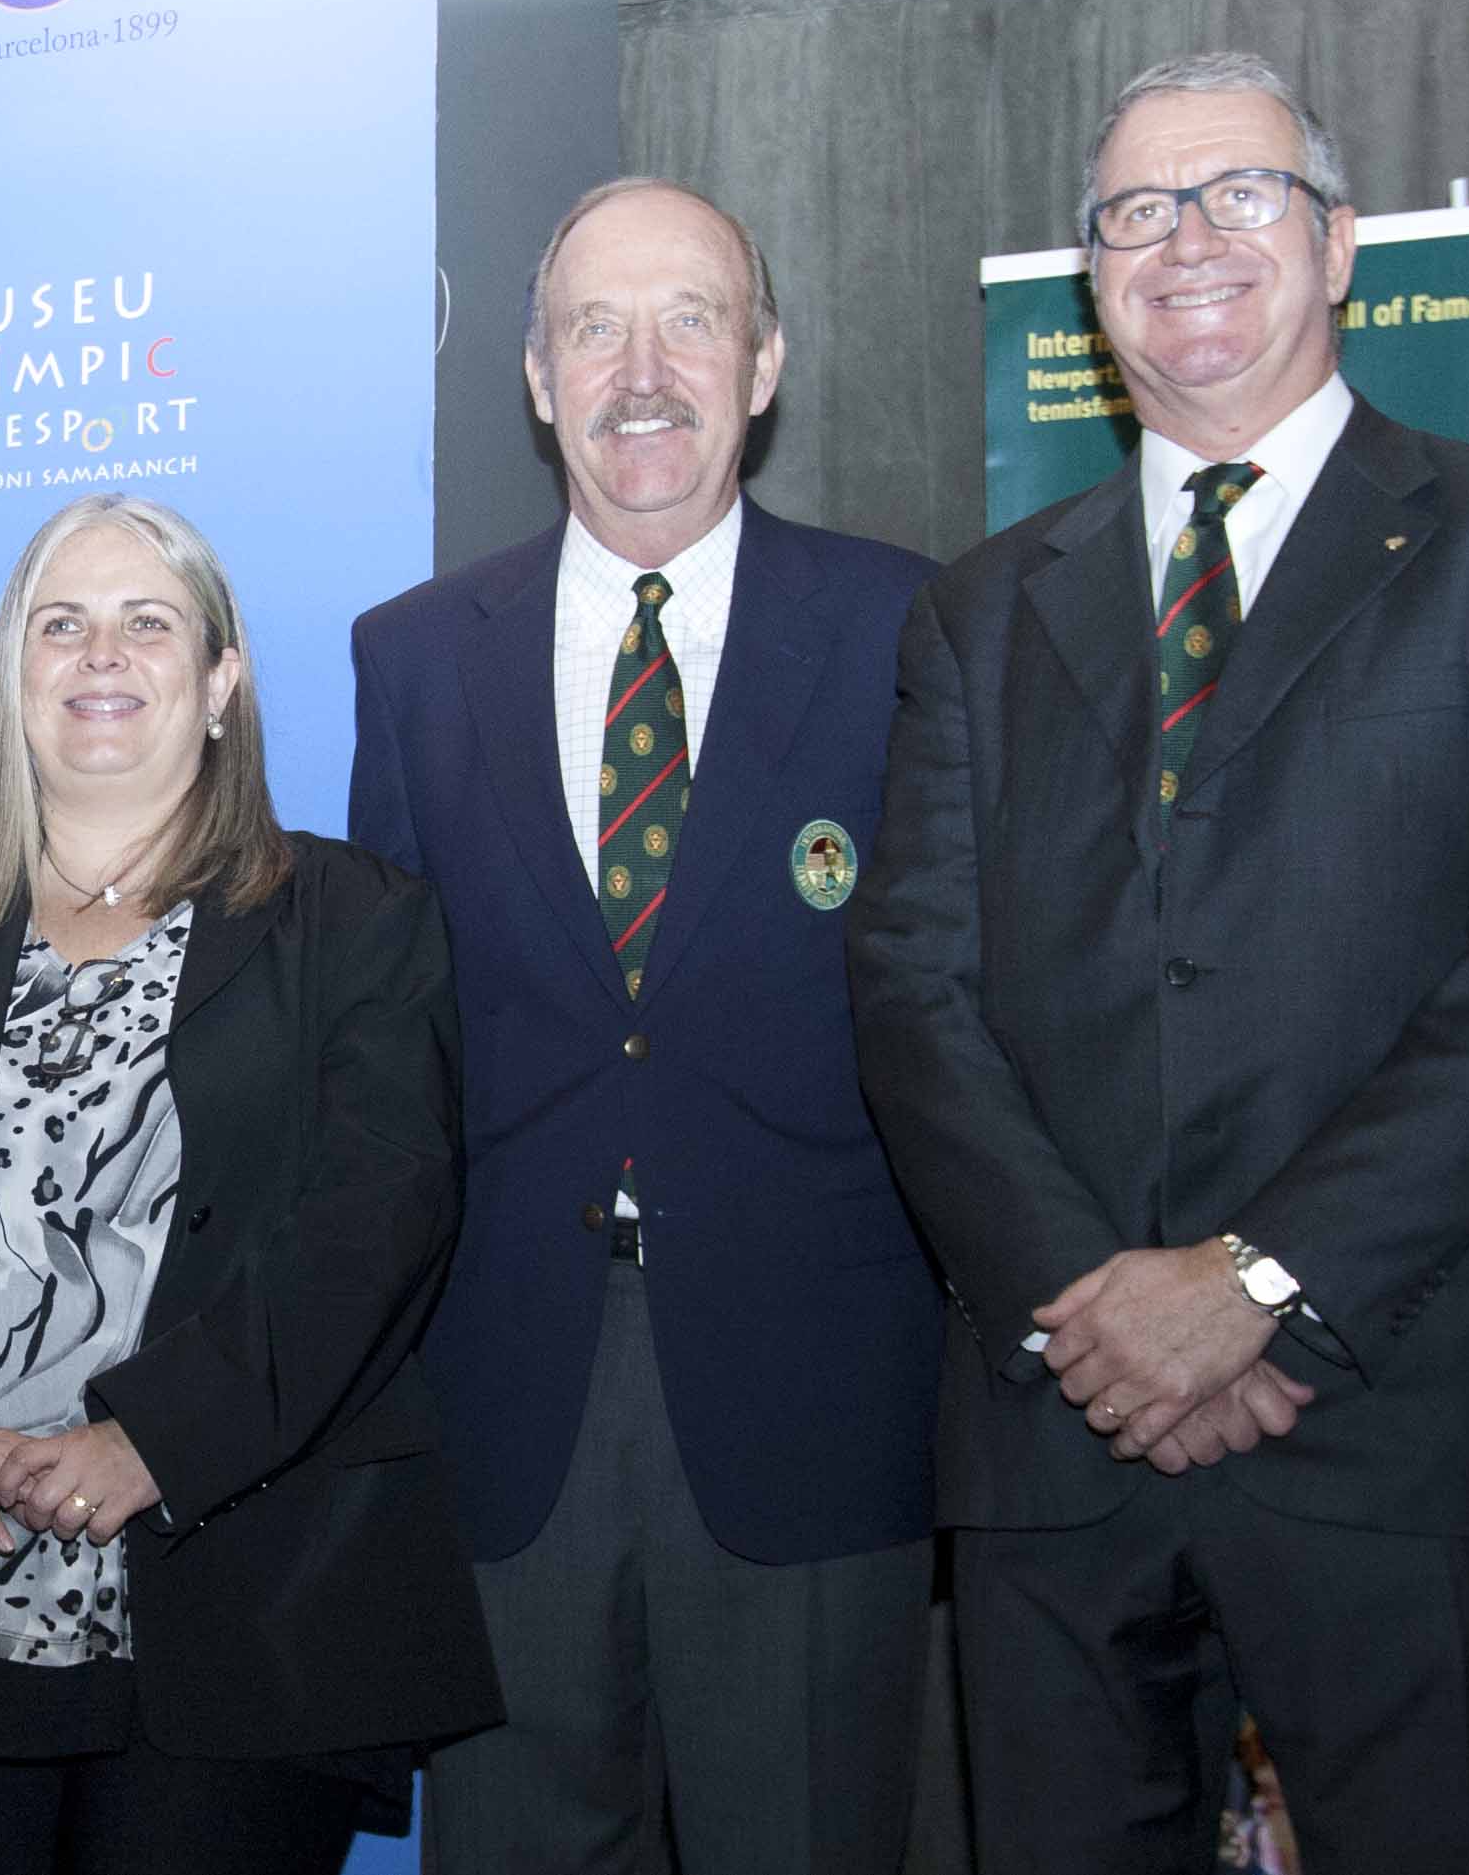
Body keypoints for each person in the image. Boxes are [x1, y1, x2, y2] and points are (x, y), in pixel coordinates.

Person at [847, 52, 1469, 1874]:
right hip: (1059, 1427)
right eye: (1135, 213)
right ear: (1093, 285)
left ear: (1338, 248)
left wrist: (1256, 1282)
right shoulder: (979, 606)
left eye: (1240, 194)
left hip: (1399, 1416)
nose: (1188, 241)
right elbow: (915, 985)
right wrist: (1104, 1311)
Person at [0, 493, 498, 1874]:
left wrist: (150, 1442)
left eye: (145, 623)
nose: (99, 654)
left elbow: (377, 1221)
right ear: (11, 679)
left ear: (219, 682)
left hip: (243, 1597)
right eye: (61, 625)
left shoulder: (353, 923)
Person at [348, 177, 942, 1873]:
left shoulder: (916, 628)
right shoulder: (412, 660)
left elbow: (959, 1015)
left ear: (764, 363)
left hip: (817, 1401)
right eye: (594, 327)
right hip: (504, 1402)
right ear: (535, 378)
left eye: (691, 319)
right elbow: (387, 1053)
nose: (642, 368)